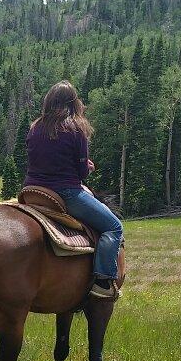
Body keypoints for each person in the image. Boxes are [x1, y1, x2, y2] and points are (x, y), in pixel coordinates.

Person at [23, 80, 123, 299]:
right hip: (65, 192)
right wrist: (88, 167)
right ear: (73, 102)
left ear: (49, 101)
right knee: (114, 227)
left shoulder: (35, 127)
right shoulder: (76, 128)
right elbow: (81, 173)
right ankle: (103, 281)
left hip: (32, 191)